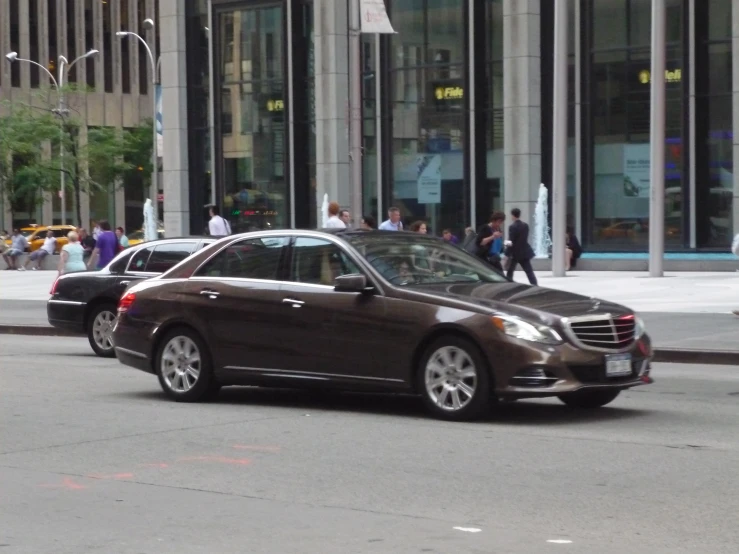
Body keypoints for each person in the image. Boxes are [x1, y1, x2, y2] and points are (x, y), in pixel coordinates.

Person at [506, 208, 538, 285]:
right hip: (524, 251)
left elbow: (511, 240)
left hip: (515, 253)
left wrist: (506, 252)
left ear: (512, 215)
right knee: (529, 272)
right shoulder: (525, 225)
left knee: (510, 271)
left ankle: (508, 285)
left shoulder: (512, 226)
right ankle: (535, 285)